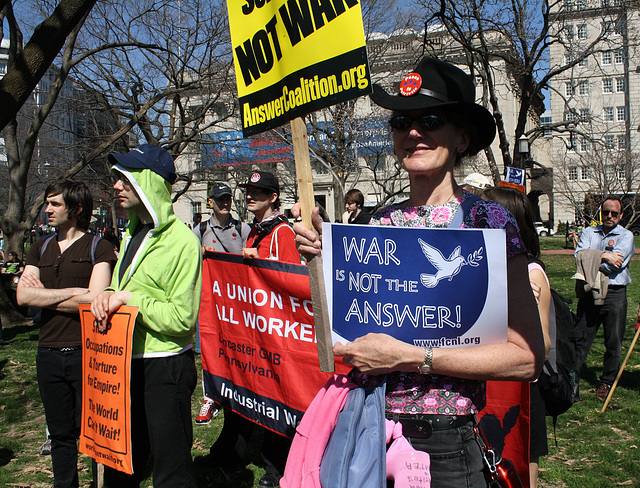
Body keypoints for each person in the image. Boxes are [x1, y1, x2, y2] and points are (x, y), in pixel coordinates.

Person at [293, 56, 544, 487]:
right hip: (370, 430)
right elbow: (341, 338)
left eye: (430, 119)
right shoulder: (377, 226)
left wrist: (412, 357)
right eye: (400, 122)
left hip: (444, 449)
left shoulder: (489, 223)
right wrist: (321, 257)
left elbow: (526, 357)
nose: (412, 132)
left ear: (462, 137)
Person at [89, 144, 202, 487]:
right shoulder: (132, 234)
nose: (116, 186)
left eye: (125, 178)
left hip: (164, 368)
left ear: (148, 182)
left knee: (171, 470)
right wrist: (108, 296)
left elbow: (182, 319)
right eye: (117, 178)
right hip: (121, 361)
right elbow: (126, 288)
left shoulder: (182, 241)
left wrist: (128, 300)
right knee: (120, 462)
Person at [16, 180, 116, 488]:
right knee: (59, 435)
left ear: (77, 209)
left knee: (93, 434)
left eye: (55, 204)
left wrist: (50, 295)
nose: (47, 209)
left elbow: (96, 301)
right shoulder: (39, 246)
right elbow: (23, 297)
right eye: (47, 203)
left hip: (86, 352)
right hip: (47, 353)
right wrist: (76, 293)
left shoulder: (98, 246)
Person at [202, 170, 298, 488]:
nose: (250, 196)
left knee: (274, 398)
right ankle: (229, 453)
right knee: (244, 390)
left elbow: (291, 280)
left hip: (275, 332)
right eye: (248, 191)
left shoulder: (282, 233)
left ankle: (275, 469)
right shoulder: (254, 231)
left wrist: (260, 263)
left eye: (258, 191)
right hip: (252, 329)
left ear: (273, 197)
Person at [481, 187, 552, 488]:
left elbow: (543, 345)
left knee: (521, 468)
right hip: (486, 385)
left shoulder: (532, 273)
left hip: (520, 392)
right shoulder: (487, 271)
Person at [192, 182, 250, 426]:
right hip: (211, 303)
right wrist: (200, 254)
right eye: (220, 199)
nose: (225, 203)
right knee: (211, 350)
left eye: (227, 198)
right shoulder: (200, 229)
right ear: (211, 203)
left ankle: (241, 392)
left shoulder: (243, 228)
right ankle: (211, 397)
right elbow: (188, 261)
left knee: (238, 350)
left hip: (238, 305)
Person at [574, 197, 634, 401]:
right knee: (580, 338)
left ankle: (606, 382)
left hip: (614, 293)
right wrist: (605, 255)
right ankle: (571, 379)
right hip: (590, 291)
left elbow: (615, 265)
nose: (609, 216)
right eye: (606, 212)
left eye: (614, 214)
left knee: (613, 340)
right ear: (601, 213)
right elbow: (578, 256)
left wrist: (593, 258)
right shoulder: (590, 232)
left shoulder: (626, 236)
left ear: (621, 216)